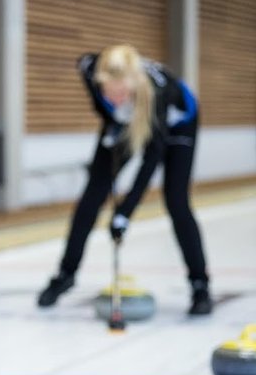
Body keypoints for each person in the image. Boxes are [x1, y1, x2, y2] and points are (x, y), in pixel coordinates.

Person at [36, 45, 212, 316]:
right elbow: (102, 105)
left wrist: (124, 213)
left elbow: (150, 161)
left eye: (121, 93)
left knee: (176, 201)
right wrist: (112, 122)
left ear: (133, 85)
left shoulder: (157, 95)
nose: (115, 98)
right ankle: (65, 275)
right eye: (110, 92)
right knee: (91, 197)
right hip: (125, 123)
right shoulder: (89, 70)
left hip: (176, 124)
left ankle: (200, 285)